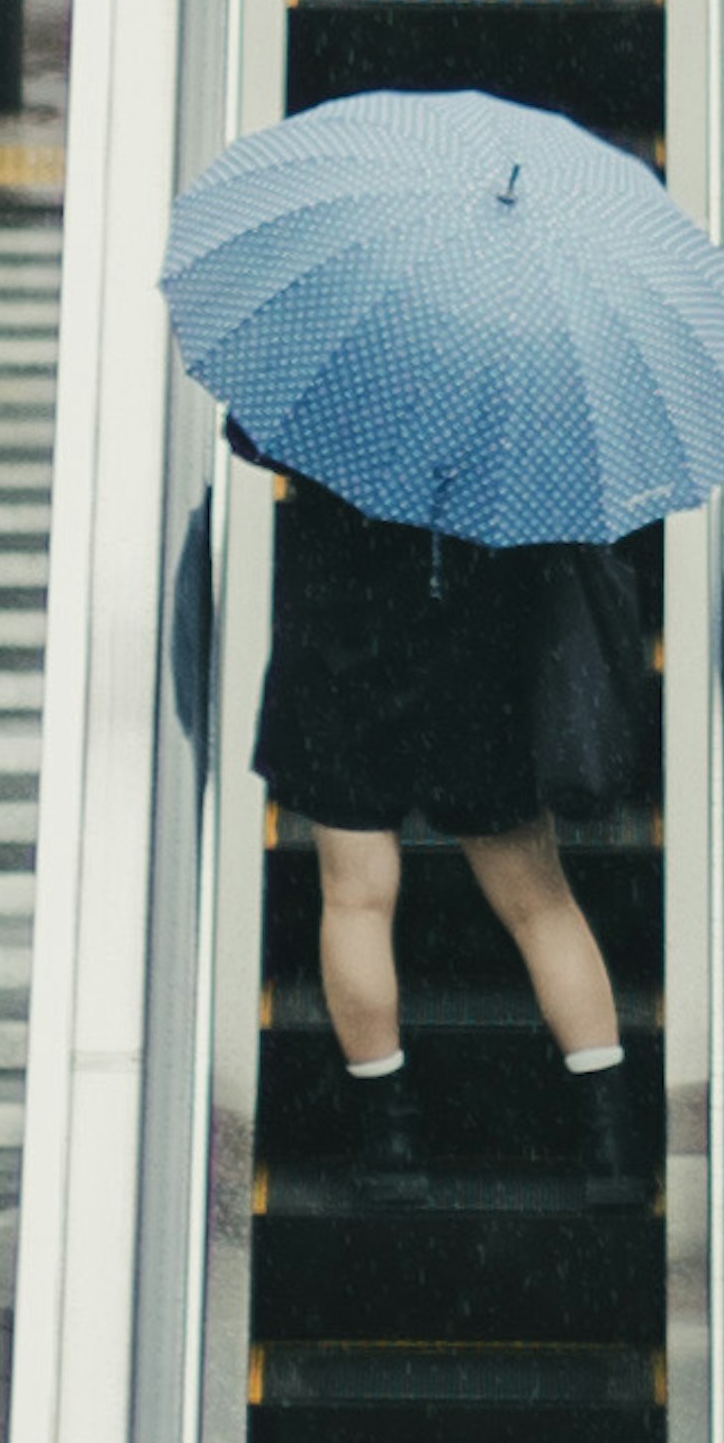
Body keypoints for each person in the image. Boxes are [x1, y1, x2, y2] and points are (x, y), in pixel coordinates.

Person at [245, 455, 641, 1196]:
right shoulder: (520, 389)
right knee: (539, 903)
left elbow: (252, 437)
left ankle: (389, 1142)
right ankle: (610, 1143)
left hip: (344, 653)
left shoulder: (341, 375)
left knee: (356, 897)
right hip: (477, 662)